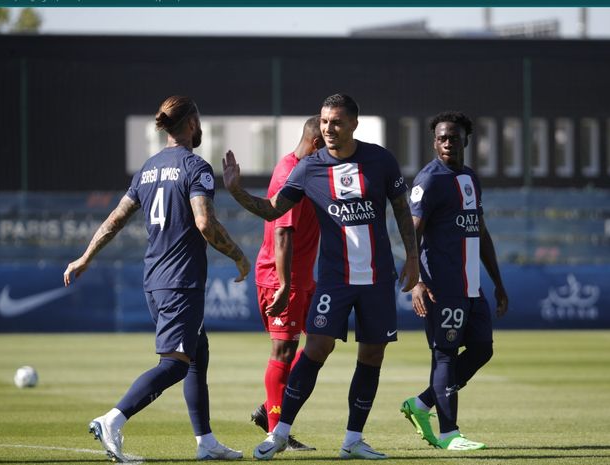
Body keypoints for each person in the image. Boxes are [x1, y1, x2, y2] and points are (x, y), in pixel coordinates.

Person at [223, 93, 419, 461]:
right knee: (315, 349)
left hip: (377, 278)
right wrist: (236, 191)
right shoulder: (308, 167)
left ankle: (353, 440)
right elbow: (273, 211)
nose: (329, 128)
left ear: (354, 125)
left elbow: (401, 210)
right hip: (334, 279)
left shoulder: (380, 160)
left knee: (372, 356)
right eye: (325, 122)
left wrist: (412, 257)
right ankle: (279, 433)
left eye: (338, 122)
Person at [63, 95, 250, 462]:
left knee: (197, 353)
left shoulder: (147, 169)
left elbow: (116, 218)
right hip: (180, 280)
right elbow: (205, 222)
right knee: (175, 364)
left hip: (156, 278)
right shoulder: (196, 167)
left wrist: (86, 256)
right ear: (192, 123)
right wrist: (240, 257)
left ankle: (206, 441)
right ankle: (113, 419)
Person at [400, 111, 509, 451]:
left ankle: (421, 404)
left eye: (454, 137)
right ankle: (449, 434)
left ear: (466, 140)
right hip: (441, 285)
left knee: (481, 349)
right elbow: (411, 232)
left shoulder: (471, 178)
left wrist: (498, 281)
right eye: (442, 137)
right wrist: (416, 281)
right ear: (435, 142)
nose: (448, 142)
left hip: (471, 285)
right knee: (445, 354)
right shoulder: (428, 180)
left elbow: (480, 229)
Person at [249, 116, 324, 452]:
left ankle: (270, 408)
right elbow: (282, 233)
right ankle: (276, 430)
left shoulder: (311, 171)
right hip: (283, 279)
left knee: (320, 344)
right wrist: (283, 285)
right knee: (283, 350)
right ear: (318, 144)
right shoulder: (288, 173)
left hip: (304, 278)